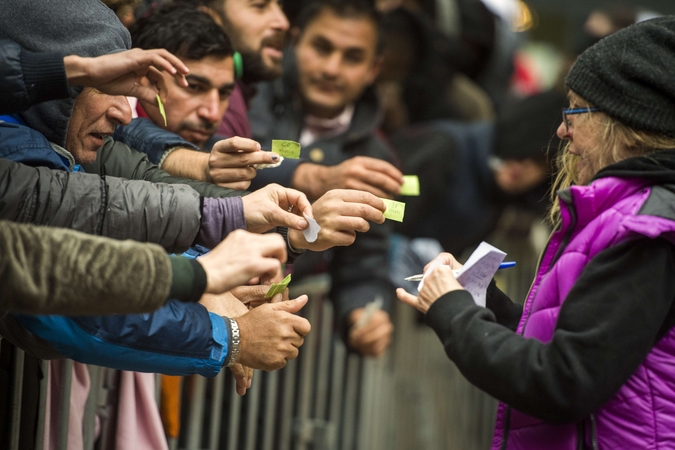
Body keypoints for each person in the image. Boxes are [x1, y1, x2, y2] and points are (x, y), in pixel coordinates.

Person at [397, 17, 675, 449]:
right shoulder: (623, 213)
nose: (562, 130)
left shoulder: (645, 228)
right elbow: (571, 341)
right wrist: (479, 295)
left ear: (621, 121)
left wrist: (453, 312)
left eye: (575, 110)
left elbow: (563, 382)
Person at [248, 0, 398, 357]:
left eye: (352, 57)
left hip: (274, 341)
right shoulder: (250, 89)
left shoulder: (376, 160)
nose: (332, 68)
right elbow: (217, 154)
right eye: (322, 47)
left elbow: (364, 267)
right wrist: (313, 175)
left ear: (374, 68)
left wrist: (366, 313)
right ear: (294, 40)